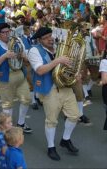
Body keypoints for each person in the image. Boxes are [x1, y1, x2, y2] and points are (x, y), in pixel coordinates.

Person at [27, 27, 80, 161]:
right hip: (49, 88)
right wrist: (58, 60)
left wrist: (74, 73)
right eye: (46, 37)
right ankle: (51, 147)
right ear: (39, 40)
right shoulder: (34, 50)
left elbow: (67, 65)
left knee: (74, 115)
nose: (51, 39)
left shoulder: (59, 47)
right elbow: (39, 70)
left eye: (51, 36)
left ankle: (65, 140)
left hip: (65, 86)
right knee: (51, 121)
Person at [0, 23, 32, 133]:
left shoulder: (17, 42)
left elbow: (26, 60)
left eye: (8, 31)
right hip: (3, 78)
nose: (7, 34)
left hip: (19, 74)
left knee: (26, 99)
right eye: (4, 32)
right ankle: (8, 128)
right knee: (8, 104)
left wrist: (24, 56)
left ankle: (21, 123)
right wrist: (4, 56)